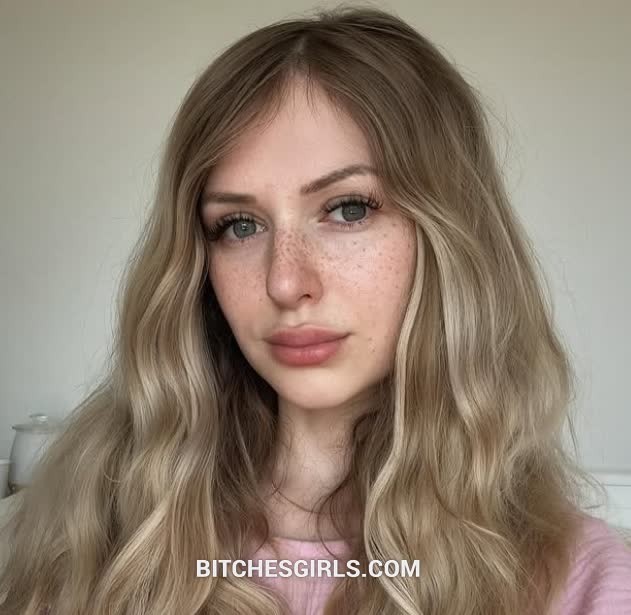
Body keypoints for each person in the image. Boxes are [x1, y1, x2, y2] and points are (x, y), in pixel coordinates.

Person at [1, 5, 630, 615]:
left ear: (449, 236)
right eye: (239, 224)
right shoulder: (84, 536)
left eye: (348, 209)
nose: (285, 282)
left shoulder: (582, 583)